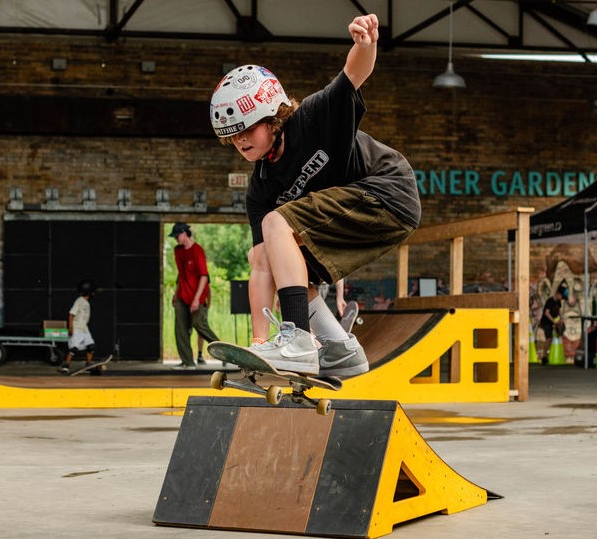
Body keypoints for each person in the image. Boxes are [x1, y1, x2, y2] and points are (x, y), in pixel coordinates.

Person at [209, 14, 421, 377]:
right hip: (358, 213)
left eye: (248, 129)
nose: (241, 141)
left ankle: (298, 341)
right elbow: (261, 266)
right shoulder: (260, 188)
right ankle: (339, 347)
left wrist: (365, 44)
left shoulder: (311, 118)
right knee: (271, 258)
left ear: (273, 116)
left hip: (388, 191)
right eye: (233, 136)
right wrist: (259, 348)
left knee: (279, 223)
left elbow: (353, 76)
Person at [170, 222, 220, 370]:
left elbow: (204, 276)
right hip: (182, 295)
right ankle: (188, 362)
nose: (175, 239)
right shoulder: (177, 251)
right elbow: (181, 274)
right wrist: (175, 293)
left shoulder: (198, 250)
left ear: (185, 233)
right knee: (180, 328)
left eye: (177, 235)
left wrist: (197, 299)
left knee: (199, 324)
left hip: (197, 296)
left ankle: (227, 353)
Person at [58, 280, 96, 374]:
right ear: (90, 292)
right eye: (93, 292)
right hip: (77, 328)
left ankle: (88, 364)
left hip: (84, 328)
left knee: (91, 346)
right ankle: (65, 366)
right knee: (73, 348)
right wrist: (70, 327)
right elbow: (71, 314)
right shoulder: (79, 300)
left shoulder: (86, 302)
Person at [538, 283, 567, 364]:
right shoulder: (550, 301)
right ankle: (544, 356)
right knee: (549, 338)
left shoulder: (558, 302)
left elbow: (559, 311)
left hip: (552, 322)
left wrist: (561, 320)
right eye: (561, 297)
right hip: (546, 322)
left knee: (558, 333)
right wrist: (554, 322)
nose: (561, 299)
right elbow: (546, 313)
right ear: (558, 294)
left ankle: (548, 354)